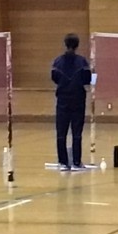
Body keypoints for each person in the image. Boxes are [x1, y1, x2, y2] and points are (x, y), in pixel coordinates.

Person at [51, 33, 92, 171]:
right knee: (77, 133)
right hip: (78, 100)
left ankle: (63, 162)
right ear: (77, 45)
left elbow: (54, 78)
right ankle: (76, 162)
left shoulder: (57, 62)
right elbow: (88, 80)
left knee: (61, 133)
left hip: (62, 100)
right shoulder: (82, 62)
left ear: (65, 44)